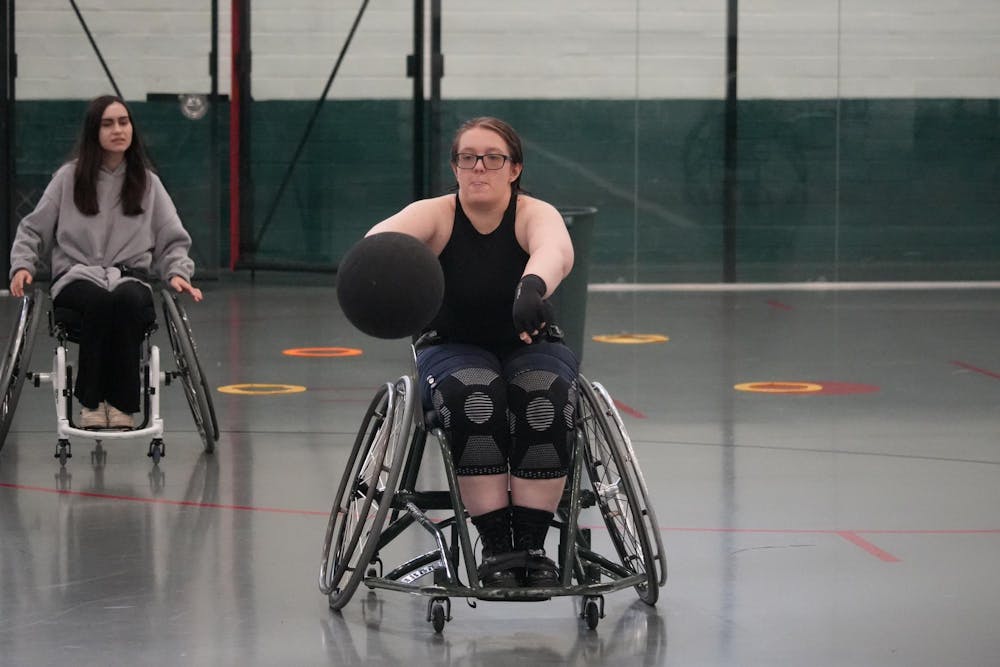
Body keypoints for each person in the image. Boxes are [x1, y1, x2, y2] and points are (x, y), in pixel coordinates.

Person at [366, 117, 578, 588]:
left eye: (493, 158)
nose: (479, 167)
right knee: (474, 398)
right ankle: (498, 546)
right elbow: (379, 241)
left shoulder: (532, 212)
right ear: (456, 167)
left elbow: (555, 249)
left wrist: (532, 285)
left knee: (544, 395)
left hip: (529, 341)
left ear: (514, 168)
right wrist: (375, 268)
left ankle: (531, 542)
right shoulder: (436, 214)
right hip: (454, 346)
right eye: (468, 158)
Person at [9, 94, 202, 430]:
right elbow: (33, 228)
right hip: (77, 277)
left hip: (130, 278)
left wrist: (177, 273)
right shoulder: (68, 178)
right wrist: (23, 264)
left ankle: (123, 406)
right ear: (93, 132)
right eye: (108, 123)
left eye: (123, 122)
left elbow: (172, 239)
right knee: (99, 300)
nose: (118, 130)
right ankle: (92, 403)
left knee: (126, 299)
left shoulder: (148, 183)